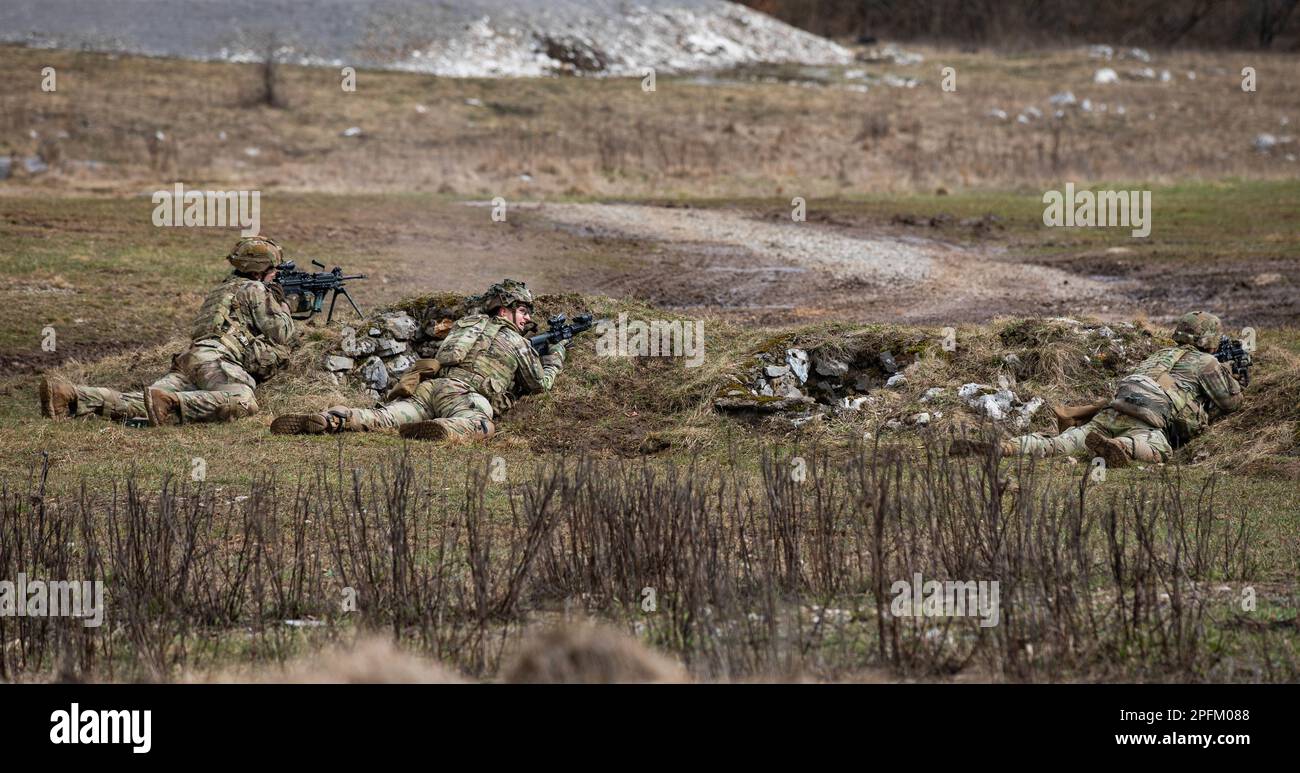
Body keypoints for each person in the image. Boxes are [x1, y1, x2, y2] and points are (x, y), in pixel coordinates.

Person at [38, 236, 299, 426]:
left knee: (145, 403)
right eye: (272, 269)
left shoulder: (223, 289)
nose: (275, 273)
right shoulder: (255, 290)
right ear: (262, 269)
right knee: (244, 400)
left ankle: (70, 395)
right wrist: (283, 303)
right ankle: (175, 404)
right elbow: (282, 333)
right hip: (217, 361)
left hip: (189, 359)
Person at [270, 279, 563, 442]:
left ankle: (334, 418)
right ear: (505, 311)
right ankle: (445, 429)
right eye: (524, 311)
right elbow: (540, 384)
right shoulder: (516, 342)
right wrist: (557, 355)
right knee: (481, 425)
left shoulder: (467, 324)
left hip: (430, 388)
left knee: (384, 417)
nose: (528, 319)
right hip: (464, 398)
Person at [952, 311, 1244, 467]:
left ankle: (1004, 447)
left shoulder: (1158, 355)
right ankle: (1122, 447)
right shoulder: (1206, 361)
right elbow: (1231, 403)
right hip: (1149, 418)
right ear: (1209, 338)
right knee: (1158, 449)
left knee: (1059, 443)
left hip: (1114, 409)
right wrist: (1232, 375)